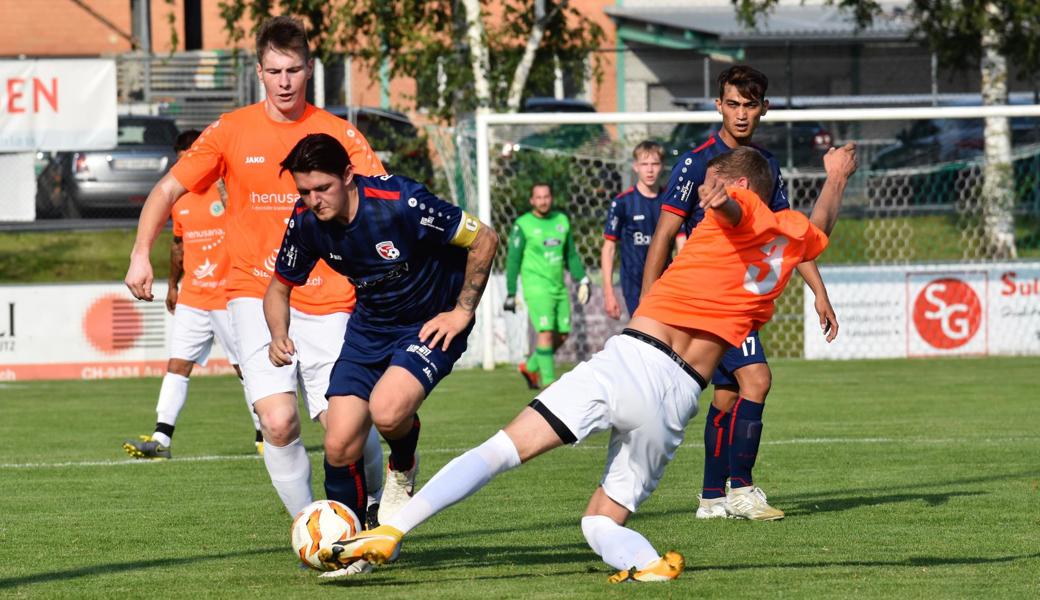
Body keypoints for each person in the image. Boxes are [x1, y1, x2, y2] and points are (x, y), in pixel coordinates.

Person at [322, 145, 857, 582]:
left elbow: (736, 208)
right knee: (601, 523)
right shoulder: (790, 240)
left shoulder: (738, 211)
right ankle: (646, 563)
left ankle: (392, 529)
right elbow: (821, 227)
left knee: (503, 450)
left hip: (631, 363)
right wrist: (835, 176)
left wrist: (723, 199)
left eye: (710, 181)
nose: (699, 190)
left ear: (734, 185)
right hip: (676, 401)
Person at [123, 16, 387, 533]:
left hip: (329, 297)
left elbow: (382, 204)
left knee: (345, 424)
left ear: (309, 70)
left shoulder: (338, 134)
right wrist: (139, 252)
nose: (284, 81)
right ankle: (313, 528)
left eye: (294, 69)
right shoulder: (231, 130)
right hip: (253, 293)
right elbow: (167, 191)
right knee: (278, 421)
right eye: (274, 70)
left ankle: (380, 497)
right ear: (259, 73)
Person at [265, 132, 497, 546]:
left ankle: (403, 466)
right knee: (338, 442)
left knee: (387, 412)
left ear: (349, 175)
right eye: (305, 191)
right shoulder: (305, 223)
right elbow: (278, 288)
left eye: (323, 188)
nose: (314, 200)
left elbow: (485, 238)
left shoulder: (402, 203)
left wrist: (462, 311)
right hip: (370, 328)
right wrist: (278, 333)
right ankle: (351, 545)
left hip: (430, 323)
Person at [642, 65, 845, 521]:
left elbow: (789, 235)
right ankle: (742, 490)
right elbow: (664, 233)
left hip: (740, 301)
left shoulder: (765, 166)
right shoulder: (698, 163)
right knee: (758, 379)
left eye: (749, 105)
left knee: (728, 397)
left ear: (763, 109)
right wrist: (646, 304)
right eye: (732, 104)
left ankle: (712, 497)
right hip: (708, 299)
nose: (740, 114)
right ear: (718, 105)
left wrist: (820, 293)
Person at [122, 129, 262, 460]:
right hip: (194, 297)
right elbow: (178, 245)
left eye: (193, 156)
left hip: (231, 296)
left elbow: (251, 227)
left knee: (247, 367)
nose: (188, 163)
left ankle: (264, 434)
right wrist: (173, 285)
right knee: (177, 365)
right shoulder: (179, 199)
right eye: (182, 157)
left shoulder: (226, 189)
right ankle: (161, 438)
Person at [503, 183, 591, 390]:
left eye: (546, 196)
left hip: (559, 286)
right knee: (546, 333)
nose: (543, 201)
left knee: (562, 334)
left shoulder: (561, 221)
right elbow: (513, 260)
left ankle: (530, 365)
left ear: (551, 198)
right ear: (532, 201)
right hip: (536, 287)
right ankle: (550, 385)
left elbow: (570, 255)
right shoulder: (522, 225)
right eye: (538, 197)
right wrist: (511, 292)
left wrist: (583, 279)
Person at [601, 141, 665, 319]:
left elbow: (681, 242)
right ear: (636, 167)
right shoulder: (622, 202)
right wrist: (608, 292)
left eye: (655, 164)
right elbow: (609, 247)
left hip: (665, 281)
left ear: (662, 166)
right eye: (645, 164)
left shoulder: (670, 200)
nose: (650, 170)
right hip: (633, 284)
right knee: (644, 334)